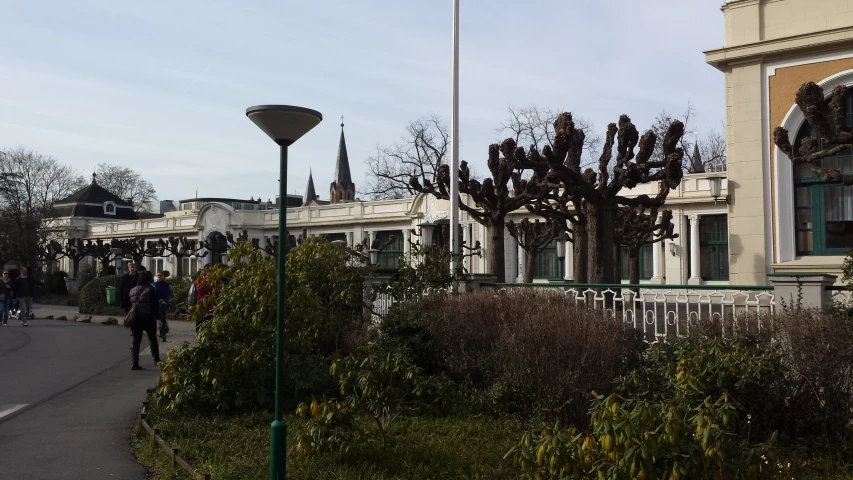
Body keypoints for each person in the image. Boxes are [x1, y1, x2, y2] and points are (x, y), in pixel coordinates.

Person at [128, 271, 161, 370]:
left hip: (136, 319)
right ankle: (157, 361)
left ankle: (134, 362)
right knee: (152, 339)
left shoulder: (132, 290)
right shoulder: (150, 290)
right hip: (148, 317)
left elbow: (130, 306)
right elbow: (155, 306)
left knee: (136, 341)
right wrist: (159, 319)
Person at [154, 271, 171, 342]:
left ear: (163, 276)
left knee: (162, 319)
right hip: (155, 303)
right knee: (154, 319)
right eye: (158, 275)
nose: (159, 277)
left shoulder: (166, 284)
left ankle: (162, 333)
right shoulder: (154, 284)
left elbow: (167, 293)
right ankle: (154, 332)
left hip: (162, 303)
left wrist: (164, 301)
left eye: (160, 275)